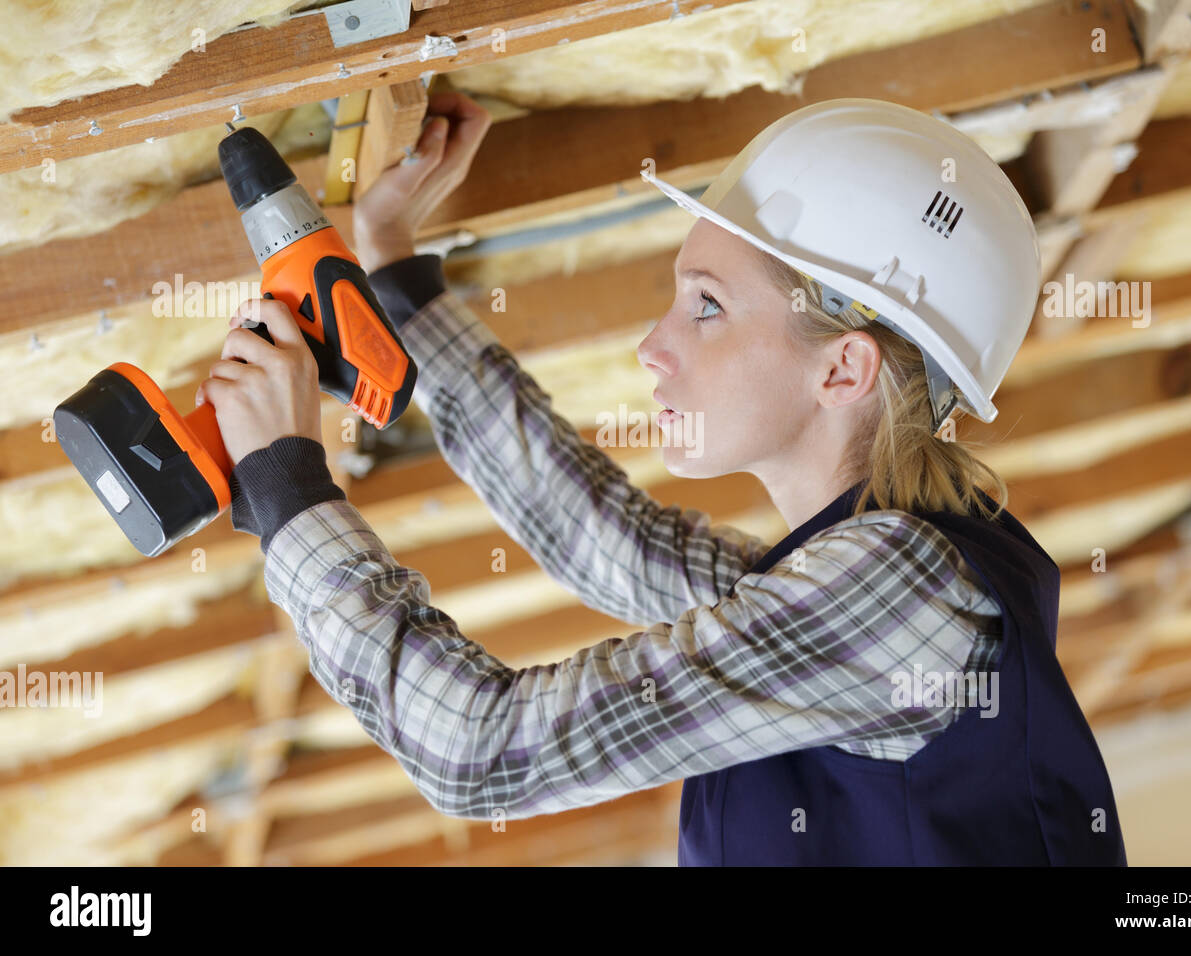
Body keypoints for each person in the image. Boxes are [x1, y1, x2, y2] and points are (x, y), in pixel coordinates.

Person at [197, 92, 1126, 865]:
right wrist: (394, 277)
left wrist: (289, 489)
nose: (653, 348)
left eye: (708, 308)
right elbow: (611, 541)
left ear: (843, 371)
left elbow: (479, 751)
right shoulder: (878, 583)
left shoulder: (903, 598)